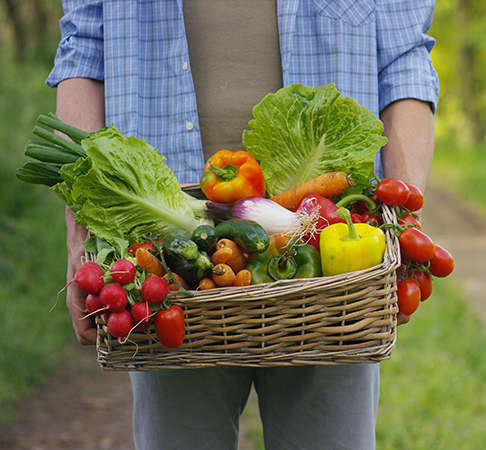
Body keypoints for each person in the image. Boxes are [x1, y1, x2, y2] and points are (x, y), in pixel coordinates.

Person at [48, 1, 439, 449]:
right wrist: (81, 236)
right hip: (167, 256)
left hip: (330, 250)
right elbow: (84, 52)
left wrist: (404, 224)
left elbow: (404, 58)